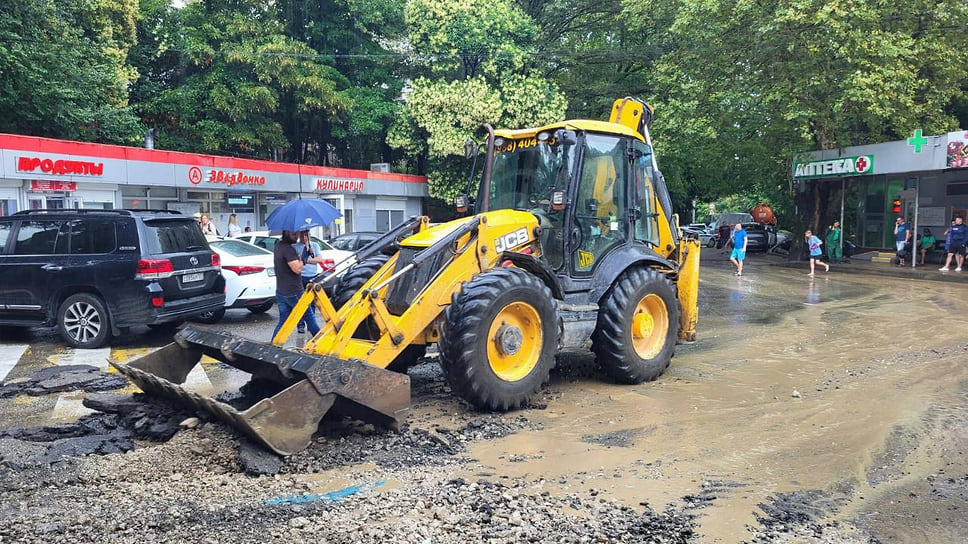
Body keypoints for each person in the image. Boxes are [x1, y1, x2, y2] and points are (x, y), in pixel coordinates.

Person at [272, 230, 319, 340]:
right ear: (286, 233)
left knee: (283, 322)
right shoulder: (288, 249)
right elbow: (297, 269)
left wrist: (303, 255)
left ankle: (273, 345)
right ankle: (322, 344)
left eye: (297, 233)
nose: (297, 236)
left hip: (281, 291)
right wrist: (304, 256)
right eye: (294, 233)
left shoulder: (278, 246)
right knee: (310, 318)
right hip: (294, 292)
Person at [292, 230, 326, 334]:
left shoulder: (314, 245)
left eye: (306, 235)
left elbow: (320, 259)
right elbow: (297, 260)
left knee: (312, 302)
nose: (304, 237)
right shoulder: (295, 247)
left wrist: (308, 259)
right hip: (301, 276)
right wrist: (307, 258)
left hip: (313, 276)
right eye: (302, 235)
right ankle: (300, 324)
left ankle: (311, 325)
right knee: (301, 301)